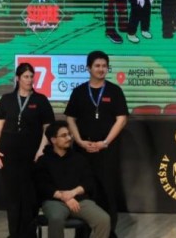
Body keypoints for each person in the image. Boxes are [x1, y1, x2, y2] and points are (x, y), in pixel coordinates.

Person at [64, 51, 129, 237]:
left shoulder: (115, 91)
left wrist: (105, 142)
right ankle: (82, 233)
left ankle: (108, 233)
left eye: (104, 66)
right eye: (97, 66)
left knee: (107, 191)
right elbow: (70, 118)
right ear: (88, 68)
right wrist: (79, 141)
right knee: (83, 192)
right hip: (82, 150)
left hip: (107, 151)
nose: (101, 69)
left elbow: (121, 119)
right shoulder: (79, 92)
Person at [0, 63, 56, 238]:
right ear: (17, 78)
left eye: (31, 76)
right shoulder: (6, 99)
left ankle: (29, 234)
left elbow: (48, 128)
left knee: (29, 197)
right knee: (12, 197)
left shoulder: (40, 100)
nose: (29, 80)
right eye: (26, 76)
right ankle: (14, 234)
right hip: (9, 154)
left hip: (32, 154)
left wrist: (41, 150)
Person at [34, 121, 112, 238]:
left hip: (79, 200)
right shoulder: (43, 161)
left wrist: (72, 193)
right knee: (56, 219)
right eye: (64, 135)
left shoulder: (79, 158)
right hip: (54, 201)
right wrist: (64, 197)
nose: (69, 138)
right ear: (53, 140)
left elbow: (89, 182)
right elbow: (42, 185)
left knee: (104, 219)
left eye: (69, 134)